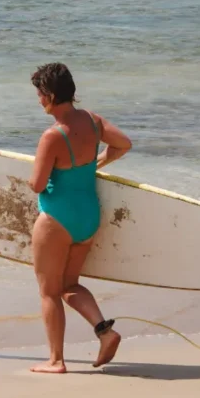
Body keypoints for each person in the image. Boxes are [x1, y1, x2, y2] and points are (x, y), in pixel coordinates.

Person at [27, 63, 132, 374]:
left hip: (57, 219)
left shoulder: (53, 136)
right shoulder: (92, 121)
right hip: (88, 216)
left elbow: (36, 183)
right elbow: (124, 144)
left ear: (50, 95)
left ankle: (56, 360)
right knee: (70, 285)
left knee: (48, 291)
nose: (38, 99)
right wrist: (98, 162)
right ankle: (104, 331)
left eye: (39, 93)